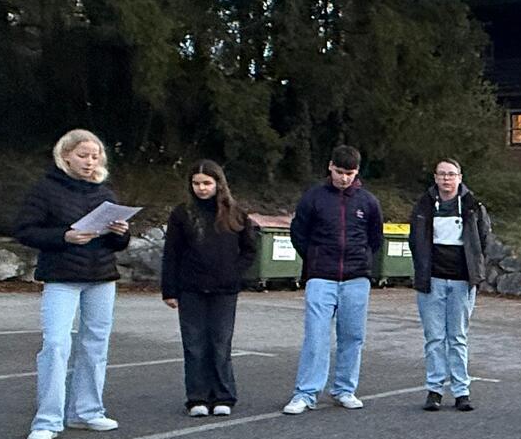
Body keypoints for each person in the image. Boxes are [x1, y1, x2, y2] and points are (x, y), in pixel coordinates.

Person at [13, 129, 132, 439]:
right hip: (62, 276)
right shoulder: (45, 190)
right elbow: (24, 230)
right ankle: (47, 420)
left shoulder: (104, 192)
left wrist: (121, 232)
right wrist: (63, 236)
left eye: (95, 156)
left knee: (95, 344)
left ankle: (87, 411)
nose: (90, 162)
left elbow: (118, 244)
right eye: (83, 156)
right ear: (65, 156)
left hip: (101, 277)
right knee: (55, 344)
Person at [282, 145, 384, 415]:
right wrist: (314, 257)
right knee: (316, 336)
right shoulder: (313, 197)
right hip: (321, 277)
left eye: (349, 173)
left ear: (357, 172)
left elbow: (375, 238)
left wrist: (362, 259)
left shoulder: (368, 202)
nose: (344, 178)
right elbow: (298, 233)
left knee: (352, 336)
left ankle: (344, 389)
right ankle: (306, 393)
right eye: (339, 172)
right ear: (330, 167)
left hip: (356, 278)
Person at [160, 160, 260, 418]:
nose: (202, 188)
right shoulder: (182, 214)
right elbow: (171, 253)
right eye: (196, 183)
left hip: (224, 290)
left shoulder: (236, 213)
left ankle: (223, 395)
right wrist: (169, 290)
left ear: (218, 184)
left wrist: (234, 272)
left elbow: (250, 249)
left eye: (207, 183)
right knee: (194, 344)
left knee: (220, 343)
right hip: (190, 288)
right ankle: (197, 397)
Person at [410, 158, 491, 412]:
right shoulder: (424, 205)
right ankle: (434, 390)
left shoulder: (473, 206)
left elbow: (484, 239)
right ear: (435, 177)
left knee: (457, 337)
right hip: (431, 281)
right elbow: (415, 240)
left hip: (462, 282)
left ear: (460, 177)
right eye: (442, 174)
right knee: (434, 337)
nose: (446, 179)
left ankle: (461, 391)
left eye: (451, 174)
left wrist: (474, 270)